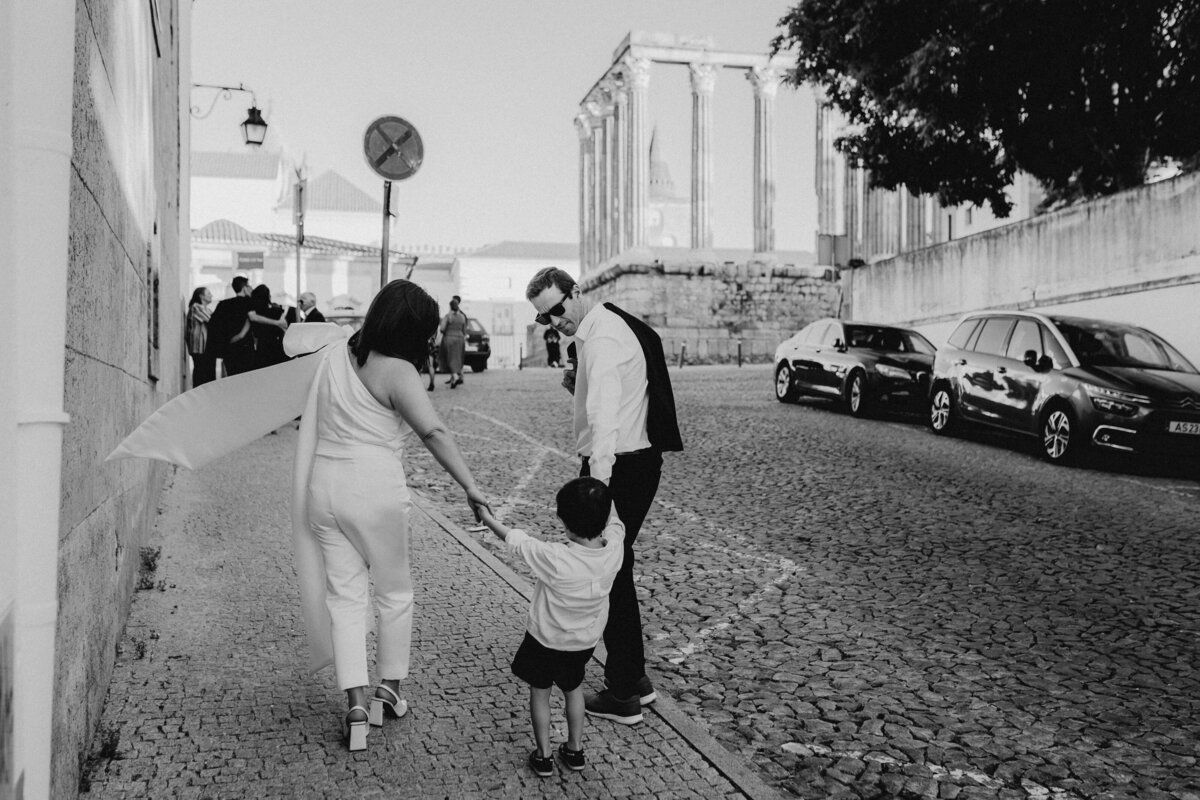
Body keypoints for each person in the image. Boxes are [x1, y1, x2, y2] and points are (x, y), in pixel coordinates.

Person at [300, 279, 488, 751]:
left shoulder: (333, 355)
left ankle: (357, 708)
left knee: (344, 597)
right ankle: (390, 690)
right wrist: (470, 486)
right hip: (375, 488)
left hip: (324, 488)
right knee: (394, 593)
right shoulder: (398, 371)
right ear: (412, 329)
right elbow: (434, 432)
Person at [525, 266, 682, 726]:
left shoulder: (603, 342)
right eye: (543, 319)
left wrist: (596, 493)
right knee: (619, 565)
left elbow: (607, 425)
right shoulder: (600, 327)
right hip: (632, 462)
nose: (554, 322)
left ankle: (622, 693)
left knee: (607, 569)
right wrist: (582, 383)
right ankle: (633, 680)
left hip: (619, 467)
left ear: (577, 292)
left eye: (557, 310)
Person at [476, 478, 624, 776]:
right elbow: (616, 521)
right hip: (583, 642)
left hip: (543, 640)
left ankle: (543, 755)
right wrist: (605, 480)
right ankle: (575, 749)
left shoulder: (555, 557)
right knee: (574, 690)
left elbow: (516, 541)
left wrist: (487, 517)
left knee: (540, 692)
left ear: (565, 522)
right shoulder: (615, 548)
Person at [206, 276, 286, 377]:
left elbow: (214, 324)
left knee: (232, 377)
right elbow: (253, 317)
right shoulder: (248, 302)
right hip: (244, 348)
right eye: (249, 286)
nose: (251, 289)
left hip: (229, 348)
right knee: (245, 379)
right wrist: (277, 323)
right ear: (245, 288)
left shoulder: (223, 304)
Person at [250, 284, 289, 370]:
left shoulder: (255, 313)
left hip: (261, 347)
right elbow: (284, 326)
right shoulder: (277, 310)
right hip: (276, 345)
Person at [436, 295, 468, 388]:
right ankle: (454, 381)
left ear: (450, 306)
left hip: (449, 338)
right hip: (460, 339)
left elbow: (442, 328)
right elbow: (464, 330)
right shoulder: (462, 317)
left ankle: (455, 376)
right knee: (458, 358)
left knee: (449, 358)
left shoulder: (448, 316)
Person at [187, 287, 216, 386]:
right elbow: (212, 321)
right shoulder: (196, 307)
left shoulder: (207, 309)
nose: (211, 295)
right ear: (201, 296)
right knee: (201, 373)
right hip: (199, 346)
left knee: (207, 374)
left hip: (205, 347)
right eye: (208, 293)